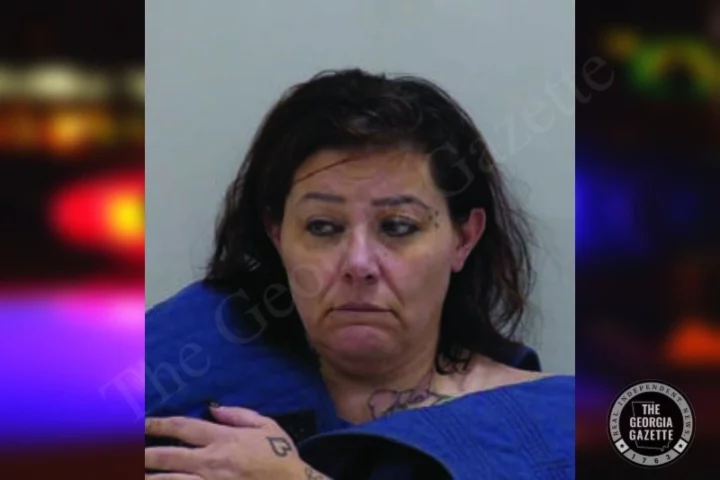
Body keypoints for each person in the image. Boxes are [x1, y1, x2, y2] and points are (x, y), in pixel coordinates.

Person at [145, 68, 574, 479]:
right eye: (323, 227)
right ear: (277, 235)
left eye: (398, 227)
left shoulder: (550, 423)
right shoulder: (189, 357)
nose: (359, 264)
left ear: (463, 239)